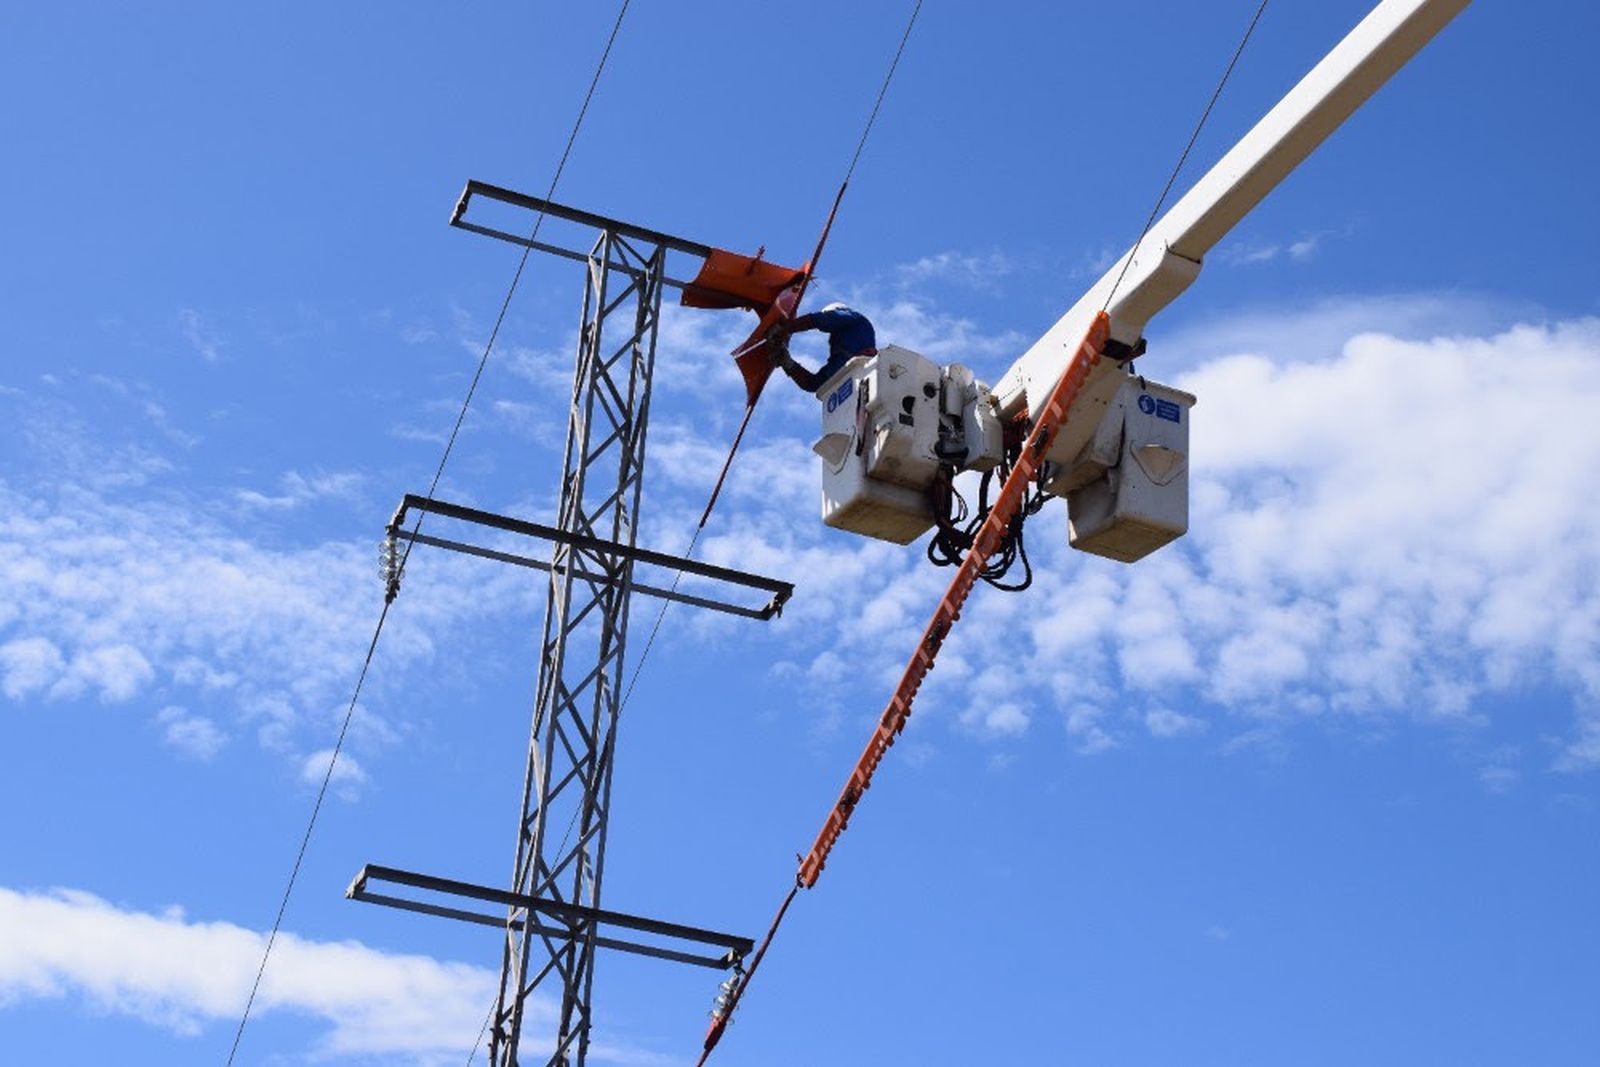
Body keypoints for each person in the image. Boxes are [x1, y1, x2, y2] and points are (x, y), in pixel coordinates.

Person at [768, 302, 877, 393]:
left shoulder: (854, 318)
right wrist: (786, 362)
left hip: (862, 371)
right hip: (854, 382)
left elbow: (820, 320)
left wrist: (786, 328)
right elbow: (813, 384)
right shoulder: (838, 364)